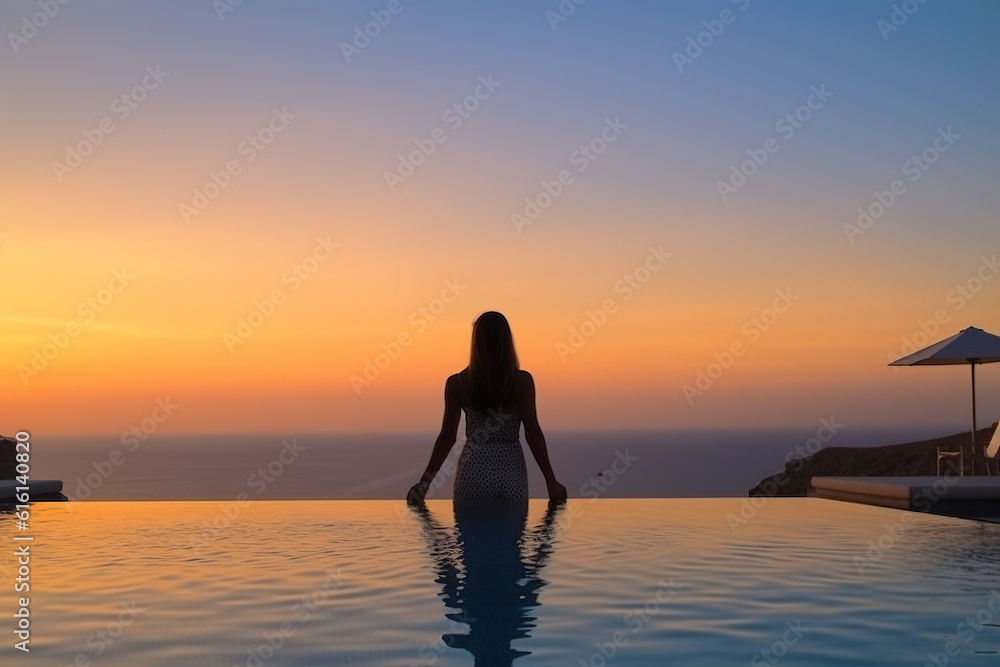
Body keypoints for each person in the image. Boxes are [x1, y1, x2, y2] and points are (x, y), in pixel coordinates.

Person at [406, 311, 567, 507]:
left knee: (469, 536)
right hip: (511, 474)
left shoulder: (457, 384)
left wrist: (423, 485)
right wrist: (551, 481)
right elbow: (532, 432)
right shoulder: (522, 382)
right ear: (506, 341)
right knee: (511, 536)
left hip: (473, 475)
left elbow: (447, 438)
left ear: (476, 343)